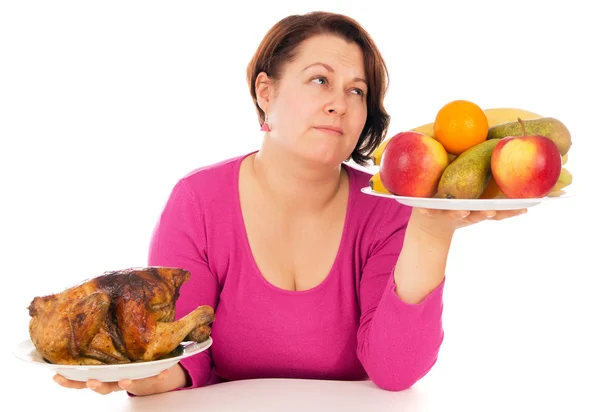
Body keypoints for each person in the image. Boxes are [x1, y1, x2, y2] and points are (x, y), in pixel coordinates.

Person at [53, 11, 526, 396]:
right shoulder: (197, 202)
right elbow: (185, 355)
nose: (339, 103)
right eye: (319, 80)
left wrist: (431, 230)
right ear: (266, 92)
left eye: (356, 91)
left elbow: (395, 372)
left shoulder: (388, 209)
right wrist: (147, 378)